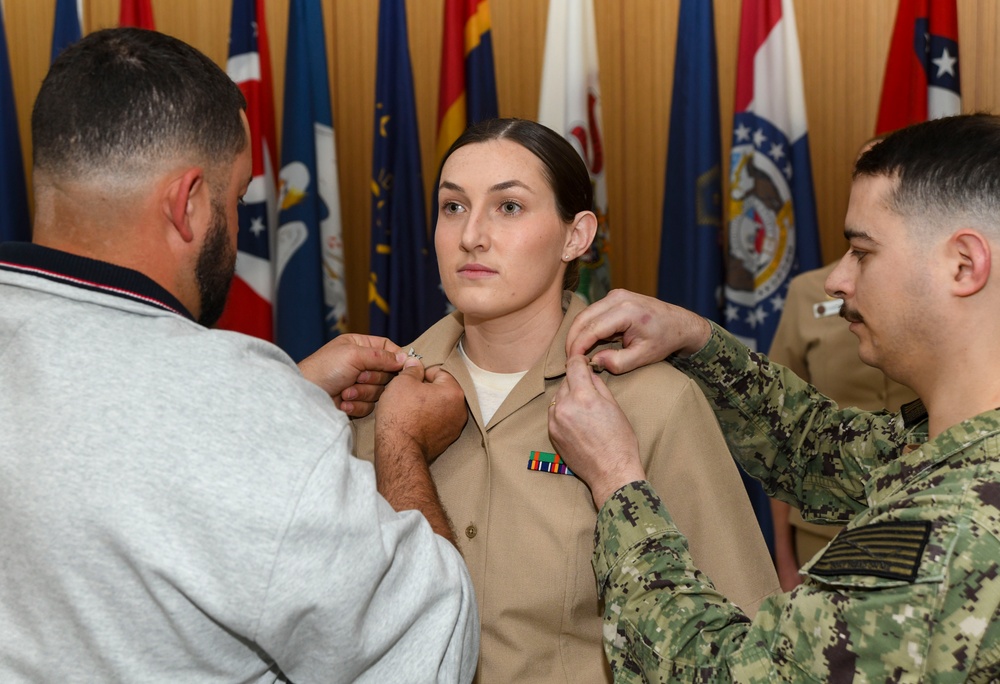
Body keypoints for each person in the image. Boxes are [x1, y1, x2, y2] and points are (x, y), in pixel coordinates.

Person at [0, 28, 478, 681]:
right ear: (187, 202)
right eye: (239, 196)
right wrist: (399, 441)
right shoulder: (236, 406)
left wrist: (287, 397)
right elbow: (433, 645)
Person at [548, 113, 1000, 681]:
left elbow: (723, 672)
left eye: (862, 251)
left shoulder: (944, 537)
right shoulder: (958, 449)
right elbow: (821, 449)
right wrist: (697, 339)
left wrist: (617, 483)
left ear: (963, 264)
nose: (837, 279)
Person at [352, 118, 779, 684]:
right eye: (453, 207)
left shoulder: (653, 404)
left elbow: (747, 642)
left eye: (508, 207)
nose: (471, 235)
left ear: (576, 236)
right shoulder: (374, 398)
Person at [768, 260, 917, 589]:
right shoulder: (808, 290)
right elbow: (782, 430)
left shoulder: (928, 284)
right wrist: (783, 559)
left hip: (922, 514)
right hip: (825, 528)